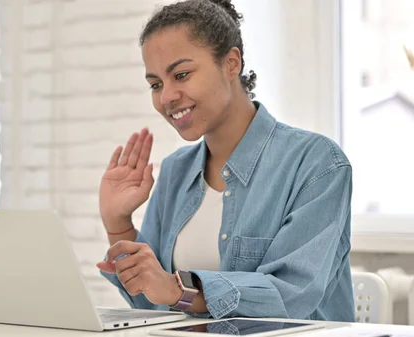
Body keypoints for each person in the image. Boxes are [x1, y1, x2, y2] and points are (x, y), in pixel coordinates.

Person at [96, 0, 355, 322]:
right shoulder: (176, 171)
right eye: (156, 84)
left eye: (182, 74)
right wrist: (118, 224)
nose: (166, 98)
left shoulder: (316, 163)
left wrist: (180, 290)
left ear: (231, 63)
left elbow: (291, 294)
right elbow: (154, 306)